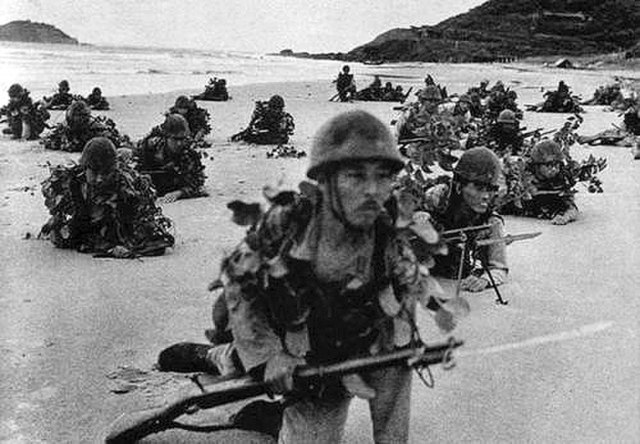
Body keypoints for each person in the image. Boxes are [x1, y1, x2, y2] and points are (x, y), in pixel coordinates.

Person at [159, 110, 451, 443]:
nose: (373, 190)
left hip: (357, 339)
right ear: (325, 182)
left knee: (396, 359)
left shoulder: (389, 234)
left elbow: (400, 316)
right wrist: (269, 357)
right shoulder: (288, 223)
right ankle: (214, 357)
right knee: (267, 388)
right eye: (356, 176)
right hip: (295, 343)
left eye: (383, 176)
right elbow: (240, 288)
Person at [39, 137, 175, 257]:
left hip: (112, 221)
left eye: (105, 173)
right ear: (85, 167)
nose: (99, 179)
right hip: (84, 220)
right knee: (60, 237)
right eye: (94, 172)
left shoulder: (127, 187)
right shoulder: (72, 182)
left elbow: (140, 223)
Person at [422, 147, 508, 291]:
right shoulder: (435, 201)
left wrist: (485, 280)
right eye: (479, 189)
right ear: (459, 187)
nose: (486, 196)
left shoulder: (491, 222)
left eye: (490, 190)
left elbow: (499, 267)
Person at [501, 140, 580, 225]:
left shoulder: (561, 178)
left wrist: (565, 216)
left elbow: (571, 206)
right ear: (537, 165)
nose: (554, 169)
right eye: (548, 165)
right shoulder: (520, 172)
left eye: (556, 164)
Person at [135, 113, 207, 202]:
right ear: (166, 137)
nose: (179, 143)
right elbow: (137, 166)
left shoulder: (189, 152)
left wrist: (179, 193)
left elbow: (198, 183)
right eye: (175, 139)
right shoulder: (152, 146)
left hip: (174, 184)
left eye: (182, 139)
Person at [41, 100, 130, 152]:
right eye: (78, 115)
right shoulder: (66, 127)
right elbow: (50, 140)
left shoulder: (95, 128)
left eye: (82, 115)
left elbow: (111, 142)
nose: (80, 118)